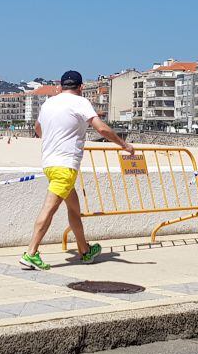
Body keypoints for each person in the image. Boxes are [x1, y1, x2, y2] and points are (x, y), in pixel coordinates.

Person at [20, 70, 134, 271]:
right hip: (65, 165)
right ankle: (31, 253)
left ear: (62, 86)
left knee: (73, 209)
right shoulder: (80, 102)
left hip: (49, 163)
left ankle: (84, 250)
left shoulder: (49, 103)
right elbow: (102, 129)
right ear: (80, 87)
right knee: (50, 208)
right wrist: (124, 145)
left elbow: (38, 129)